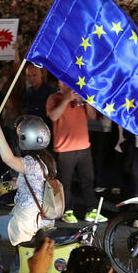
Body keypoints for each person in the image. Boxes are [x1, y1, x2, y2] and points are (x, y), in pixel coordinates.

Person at [0, 114, 57, 273]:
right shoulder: (48, 161)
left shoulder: (30, 161)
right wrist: (17, 183)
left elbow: (8, 159)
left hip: (27, 220)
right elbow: (35, 184)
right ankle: (18, 269)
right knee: (12, 225)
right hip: (43, 219)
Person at [46, 82, 104, 223]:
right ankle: (67, 211)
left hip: (84, 146)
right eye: (62, 81)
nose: (66, 83)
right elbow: (53, 116)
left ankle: (92, 210)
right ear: (59, 82)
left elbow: (92, 117)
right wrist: (66, 99)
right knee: (65, 183)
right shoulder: (54, 98)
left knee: (88, 180)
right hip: (64, 148)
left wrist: (86, 101)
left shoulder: (80, 97)